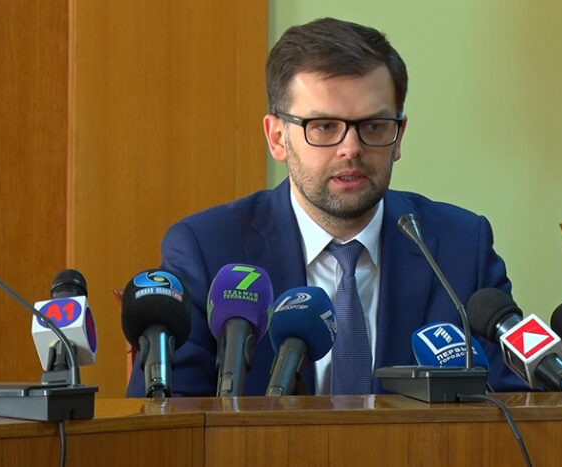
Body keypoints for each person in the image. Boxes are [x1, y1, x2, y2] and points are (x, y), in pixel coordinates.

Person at [126, 17, 528, 397]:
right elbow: (167, 418)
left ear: (399, 135)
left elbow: (514, 406)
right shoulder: (208, 251)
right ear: (277, 138)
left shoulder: (461, 248)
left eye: (374, 126)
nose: (351, 148)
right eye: (323, 127)